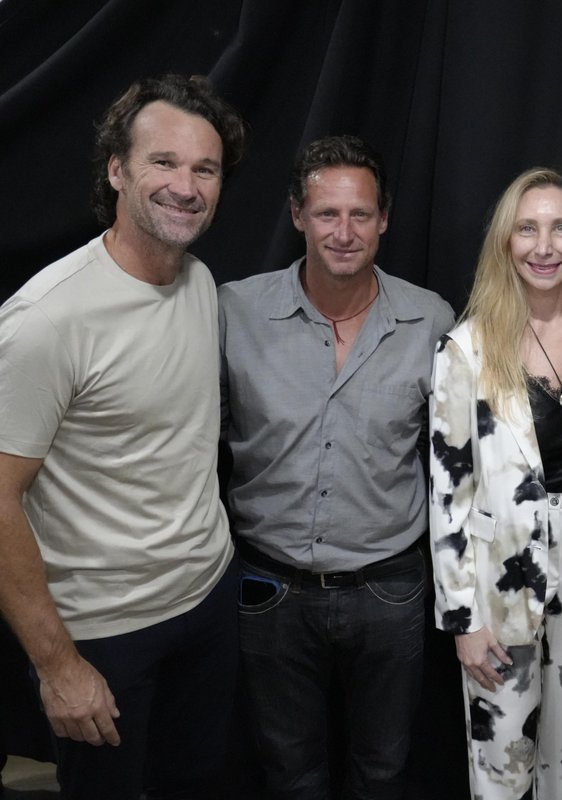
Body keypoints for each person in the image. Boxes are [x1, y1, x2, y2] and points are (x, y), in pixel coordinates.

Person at [0, 74, 246, 799]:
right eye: (163, 162)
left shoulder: (199, 282)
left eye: (205, 169)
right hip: (105, 633)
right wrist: (58, 666)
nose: (186, 187)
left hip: (207, 600)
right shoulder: (48, 319)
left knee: (196, 785)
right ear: (116, 169)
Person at [219, 134, 454, 798]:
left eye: (360, 214)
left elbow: (460, 463)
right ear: (298, 215)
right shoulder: (235, 311)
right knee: (289, 774)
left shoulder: (430, 319)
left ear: (384, 220)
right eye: (327, 213)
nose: (344, 232)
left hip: (390, 589)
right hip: (269, 588)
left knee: (384, 770)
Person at [428, 167, 562, 800]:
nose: (544, 247)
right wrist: (462, 620)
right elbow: (448, 493)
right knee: (502, 767)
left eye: (560, 228)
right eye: (527, 229)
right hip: (502, 582)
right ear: (505, 240)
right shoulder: (465, 348)